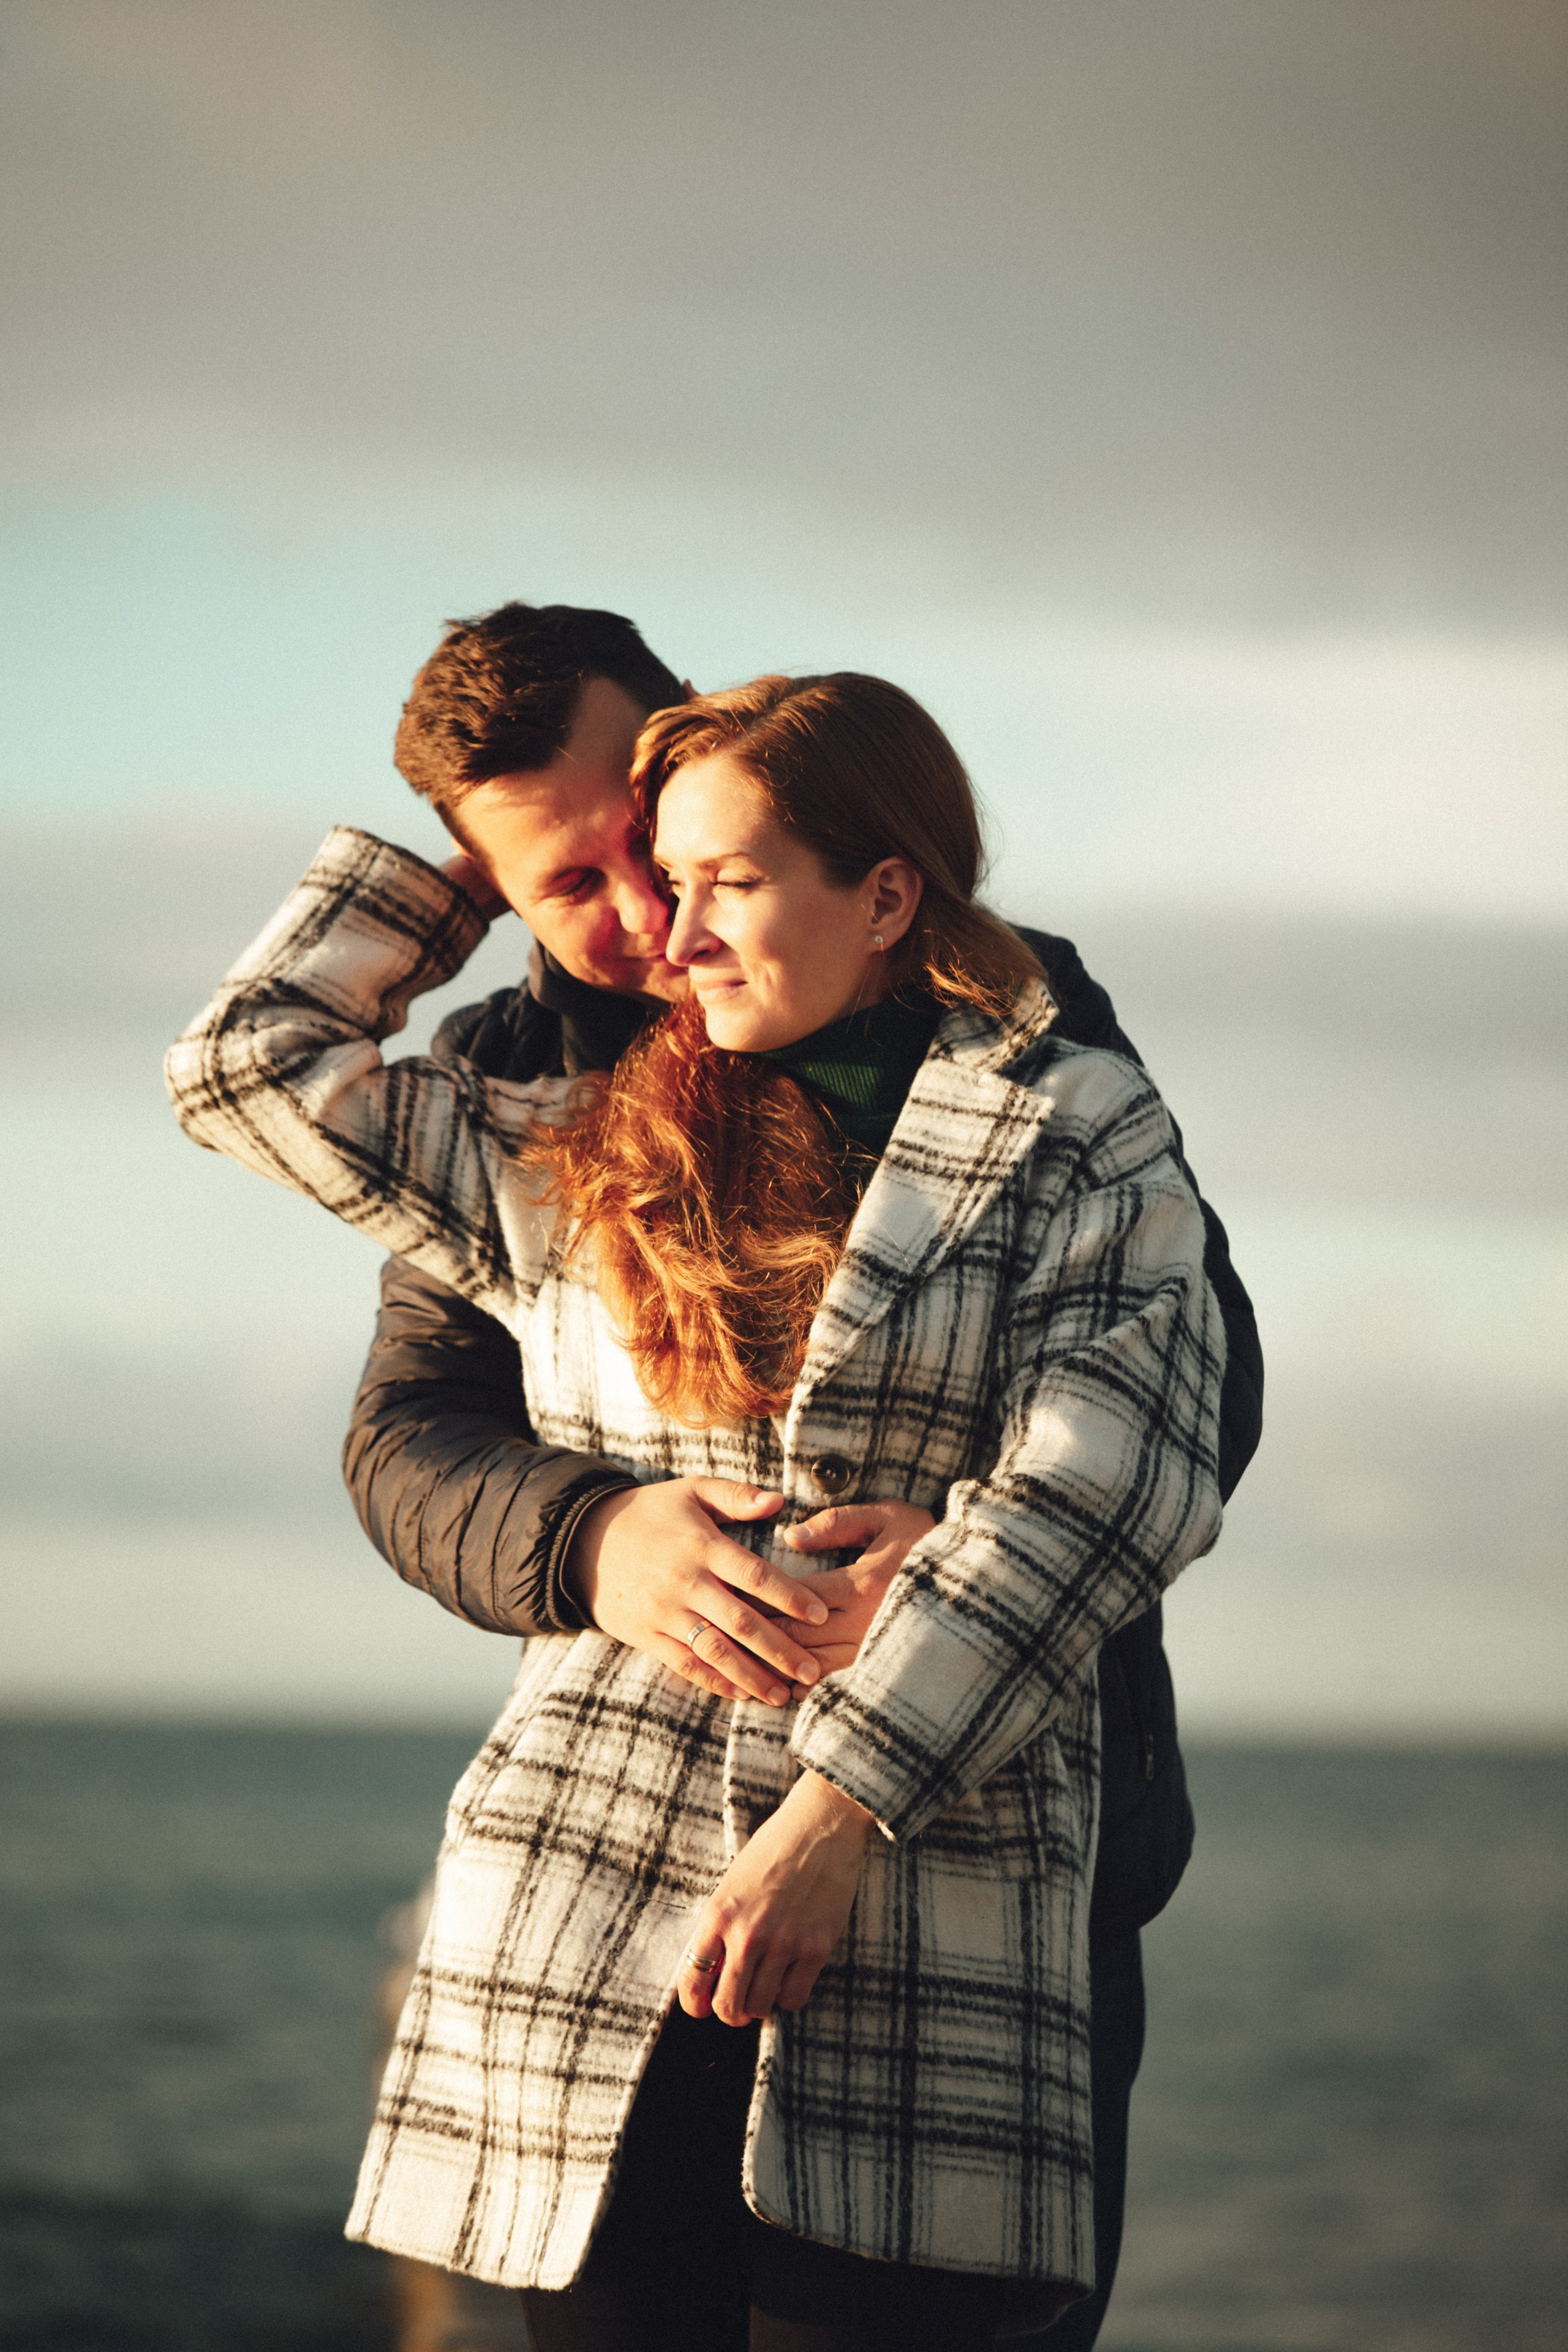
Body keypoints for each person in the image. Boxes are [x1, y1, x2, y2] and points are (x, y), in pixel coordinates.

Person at [168, 666, 1235, 2351]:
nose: (666, 932)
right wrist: (467, 864)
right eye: (649, 881)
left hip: (934, 1896)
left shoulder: (1071, 1120)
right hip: (592, 1916)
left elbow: (1117, 1480)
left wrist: (837, 1818)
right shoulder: (561, 1119)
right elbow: (243, 1069)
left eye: (721, 883)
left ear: (888, 892)